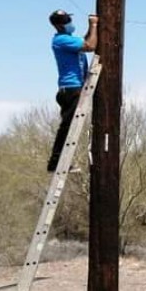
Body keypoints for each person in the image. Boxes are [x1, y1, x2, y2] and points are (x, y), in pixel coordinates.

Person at [47, 10, 98, 172]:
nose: (70, 22)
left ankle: (58, 162)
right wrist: (94, 25)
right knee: (67, 127)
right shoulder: (61, 40)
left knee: (68, 126)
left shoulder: (68, 40)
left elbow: (84, 41)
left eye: (69, 19)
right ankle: (56, 163)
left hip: (72, 88)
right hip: (71, 89)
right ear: (59, 25)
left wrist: (91, 28)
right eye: (67, 20)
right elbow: (90, 45)